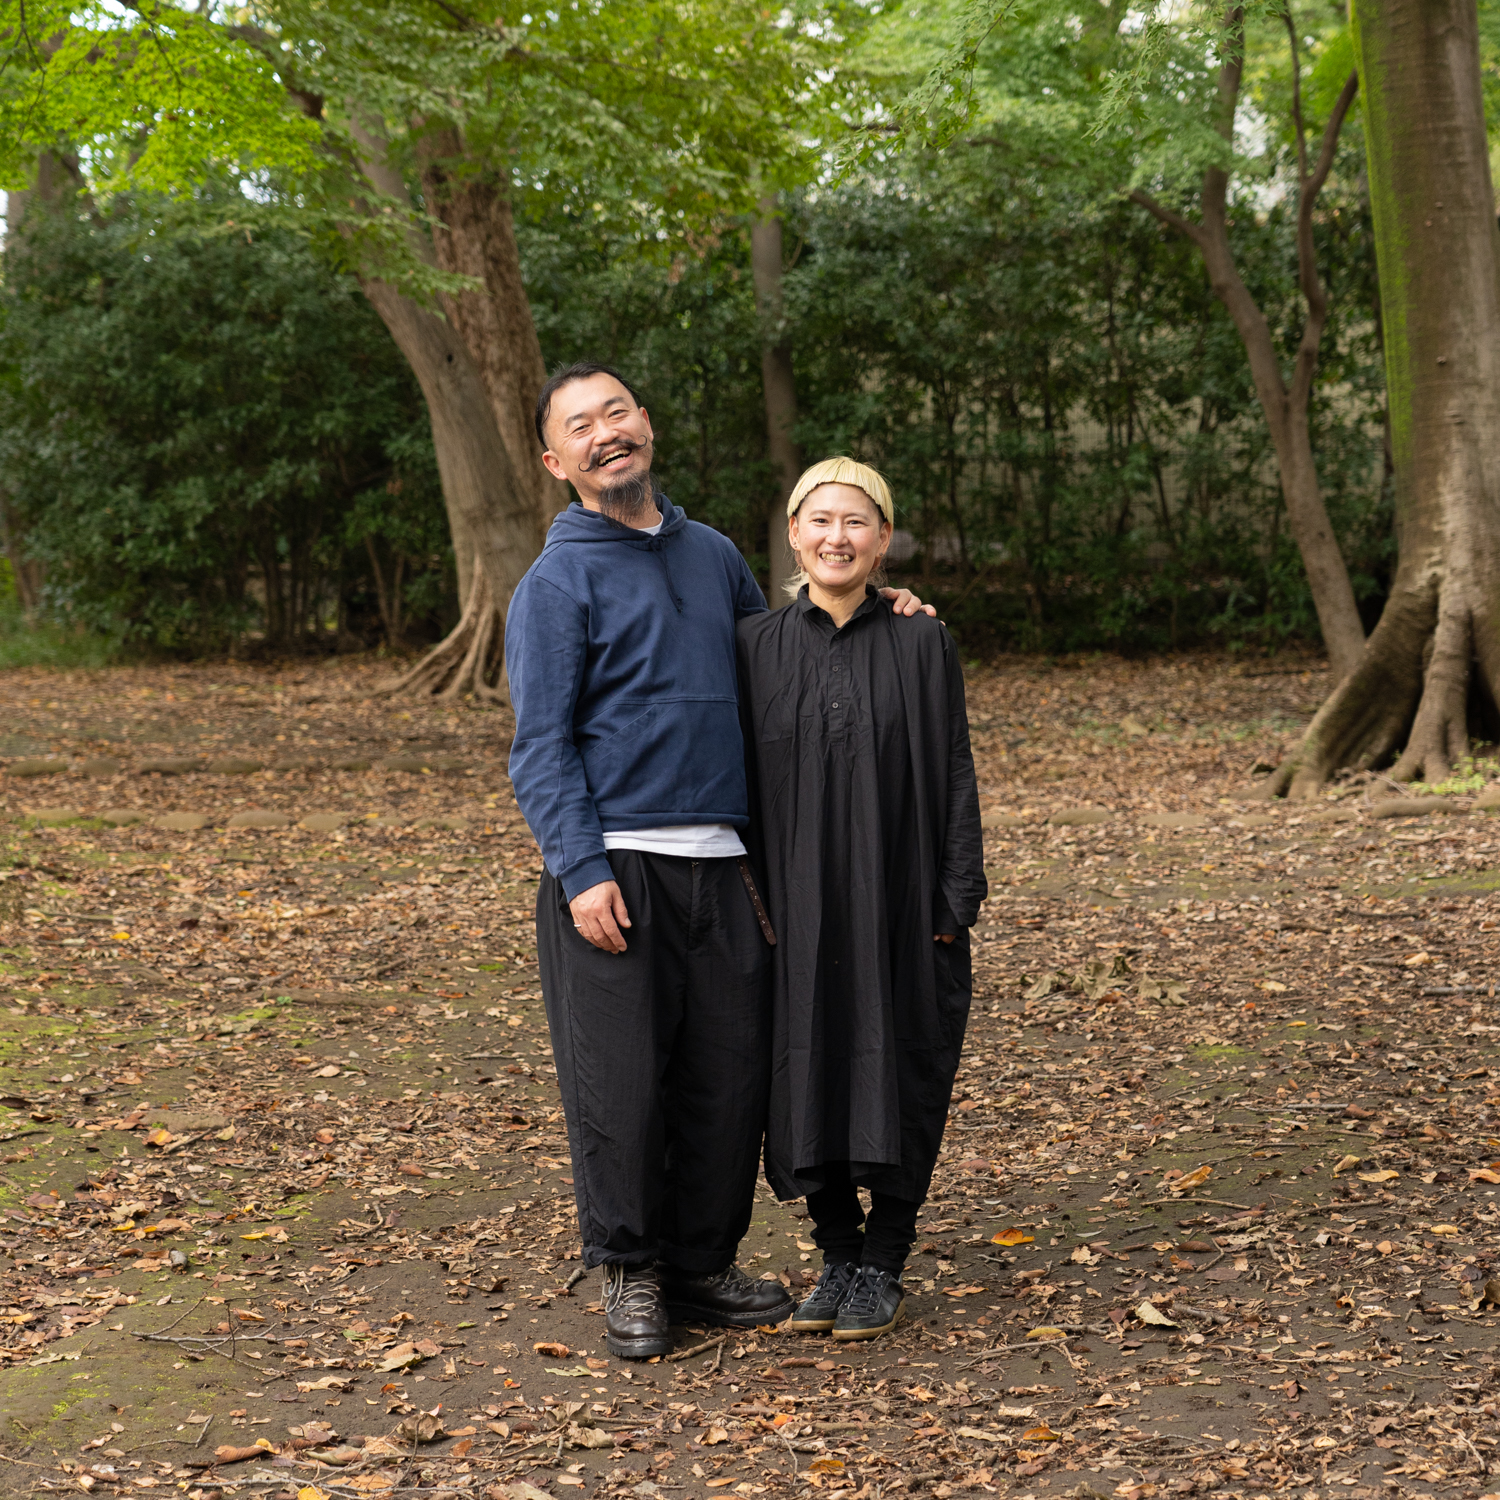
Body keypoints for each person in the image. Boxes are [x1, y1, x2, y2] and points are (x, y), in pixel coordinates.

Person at [505, 365, 933, 1359]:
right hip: (618, 867)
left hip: (732, 868)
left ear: (645, 424)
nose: (606, 433)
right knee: (621, 1089)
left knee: (728, 1081)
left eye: (617, 412)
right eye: (581, 426)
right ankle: (632, 1269)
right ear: (557, 461)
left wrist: (878, 607)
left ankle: (700, 1264)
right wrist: (580, 868)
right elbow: (540, 744)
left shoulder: (712, 557)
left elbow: (785, 655)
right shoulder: (555, 583)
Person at [736, 457, 987, 1342]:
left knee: (904, 1065)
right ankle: (837, 1253)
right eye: (820, 520)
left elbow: (953, 772)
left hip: (899, 899)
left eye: (856, 522)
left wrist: (956, 899)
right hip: (794, 906)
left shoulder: (922, 642)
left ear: (882, 541)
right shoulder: (753, 647)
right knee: (804, 1069)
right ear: (793, 535)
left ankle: (884, 1260)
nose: (836, 537)